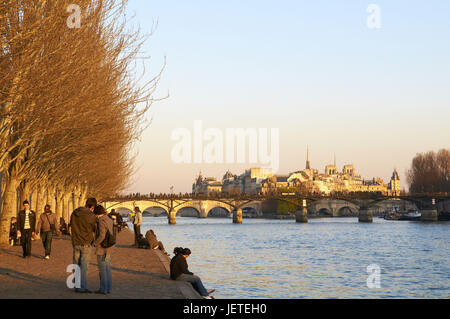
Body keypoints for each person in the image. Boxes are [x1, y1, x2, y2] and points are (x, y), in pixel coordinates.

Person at [69, 198, 98, 293]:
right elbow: (94, 228)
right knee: (84, 266)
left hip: (75, 241)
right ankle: (82, 287)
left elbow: (71, 225)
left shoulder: (74, 213)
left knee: (76, 264)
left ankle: (77, 285)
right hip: (86, 242)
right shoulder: (91, 215)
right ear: (92, 207)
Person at [94, 205, 114, 295]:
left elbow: (102, 236)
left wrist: (95, 243)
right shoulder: (109, 219)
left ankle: (103, 289)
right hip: (109, 246)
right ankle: (109, 288)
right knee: (108, 268)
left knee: (102, 270)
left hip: (102, 247)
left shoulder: (101, 221)